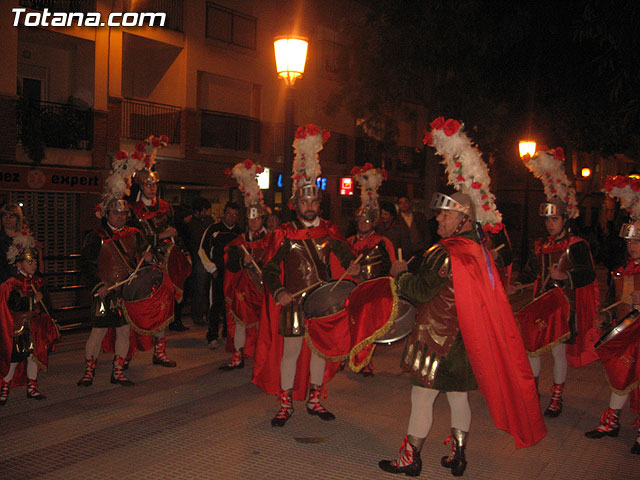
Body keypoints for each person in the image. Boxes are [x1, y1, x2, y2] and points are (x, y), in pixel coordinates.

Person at [379, 192, 545, 477]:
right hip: (465, 338)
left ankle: (410, 458)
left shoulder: (446, 252)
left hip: (436, 340)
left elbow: (421, 291)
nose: (438, 219)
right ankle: (458, 456)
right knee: (458, 397)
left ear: (464, 218)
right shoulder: (476, 250)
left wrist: (400, 276)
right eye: (439, 213)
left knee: (422, 397)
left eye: (445, 214)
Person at [252, 123, 359, 427]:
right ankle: (285, 403)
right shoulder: (284, 235)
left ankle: (315, 399)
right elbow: (270, 270)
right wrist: (278, 292)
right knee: (291, 352)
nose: (309, 206)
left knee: (320, 352)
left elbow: (349, 257)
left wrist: (353, 266)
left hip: (324, 302)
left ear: (318, 203)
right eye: (304, 201)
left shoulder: (330, 232)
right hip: (294, 303)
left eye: (313, 201)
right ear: (295, 204)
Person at [515, 198, 599, 416]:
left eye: (554, 219)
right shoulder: (542, 245)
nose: (550, 224)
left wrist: (565, 275)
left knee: (558, 351)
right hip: (541, 304)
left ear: (565, 220)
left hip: (564, 306)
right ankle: (532, 391)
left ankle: (556, 395)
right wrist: (516, 284)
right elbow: (530, 271)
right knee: (532, 348)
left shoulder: (576, 245)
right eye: (547, 220)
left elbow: (588, 273)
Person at [77, 198, 151, 387]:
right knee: (98, 332)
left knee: (124, 332)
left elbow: (147, 256)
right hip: (104, 291)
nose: (121, 217)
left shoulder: (135, 234)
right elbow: (86, 265)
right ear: (107, 214)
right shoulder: (96, 236)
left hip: (125, 291)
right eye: (117, 213)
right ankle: (89, 371)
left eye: (124, 214)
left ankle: (117, 372)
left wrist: (148, 257)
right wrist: (98, 286)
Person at [129, 168, 184, 366]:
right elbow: (133, 238)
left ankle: (160, 352)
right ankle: (127, 353)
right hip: (142, 263)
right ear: (140, 187)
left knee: (164, 307)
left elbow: (174, 233)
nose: (151, 188)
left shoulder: (166, 207)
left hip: (164, 263)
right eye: (147, 185)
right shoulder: (132, 210)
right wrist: (157, 238)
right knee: (138, 307)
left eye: (153, 185)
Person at [220, 160, 271, 370]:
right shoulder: (239, 240)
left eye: (256, 219)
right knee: (240, 320)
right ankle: (238, 356)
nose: (253, 222)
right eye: (250, 219)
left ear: (262, 220)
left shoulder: (272, 240)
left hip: (264, 287)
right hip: (244, 287)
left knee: (265, 323)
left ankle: (264, 356)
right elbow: (229, 260)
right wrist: (243, 260)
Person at [347, 163, 396, 376]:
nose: (364, 223)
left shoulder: (383, 242)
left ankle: (365, 361)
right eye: (361, 219)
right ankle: (347, 356)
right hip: (351, 289)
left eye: (367, 220)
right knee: (349, 325)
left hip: (373, 290)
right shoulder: (348, 242)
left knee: (367, 328)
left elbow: (392, 266)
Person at [1, 232, 59, 404]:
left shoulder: (38, 282)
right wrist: (32, 301)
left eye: (34, 262)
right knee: (15, 358)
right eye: (29, 262)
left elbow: (47, 304)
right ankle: (4, 387)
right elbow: (14, 304)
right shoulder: (12, 283)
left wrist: (52, 319)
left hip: (36, 327)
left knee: (34, 356)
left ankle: (32, 386)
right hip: (20, 328)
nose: (33, 265)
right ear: (20, 263)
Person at [199, 201, 242, 349]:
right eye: (229, 214)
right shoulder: (214, 229)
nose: (231, 217)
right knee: (215, 305)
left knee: (232, 305)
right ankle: (212, 336)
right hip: (218, 274)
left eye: (235, 215)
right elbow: (202, 251)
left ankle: (227, 334)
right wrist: (213, 269)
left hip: (235, 276)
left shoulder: (240, 232)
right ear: (224, 213)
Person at [188, 197, 214, 326]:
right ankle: (198, 315)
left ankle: (210, 314)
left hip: (209, 256)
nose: (206, 213)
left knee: (210, 287)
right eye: (204, 210)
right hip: (198, 257)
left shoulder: (209, 221)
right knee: (199, 287)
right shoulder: (192, 223)